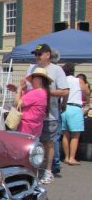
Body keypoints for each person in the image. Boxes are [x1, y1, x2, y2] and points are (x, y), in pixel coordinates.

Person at [27, 44, 69, 184]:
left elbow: (65, 91)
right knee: (31, 144)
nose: (37, 57)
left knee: (48, 144)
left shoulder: (57, 70)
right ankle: (32, 170)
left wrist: (44, 92)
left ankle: (48, 171)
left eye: (40, 54)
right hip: (32, 117)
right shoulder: (31, 68)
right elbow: (28, 90)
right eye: (36, 54)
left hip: (49, 115)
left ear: (48, 55)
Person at [7, 68, 52, 137]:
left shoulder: (37, 92)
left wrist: (19, 89)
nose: (31, 81)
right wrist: (18, 89)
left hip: (26, 129)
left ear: (40, 79)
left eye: (33, 78)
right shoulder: (41, 92)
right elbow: (25, 95)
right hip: (33, 128)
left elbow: (17, 103)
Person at [60, 63, 89, 166]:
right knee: (75, 135)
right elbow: (87, 92)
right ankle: (72, 158)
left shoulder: (62, 81)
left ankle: (66, 157)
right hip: (75, 107)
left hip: (64, 108)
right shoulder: (78, 80)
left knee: (65, 134)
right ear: (73, 70)